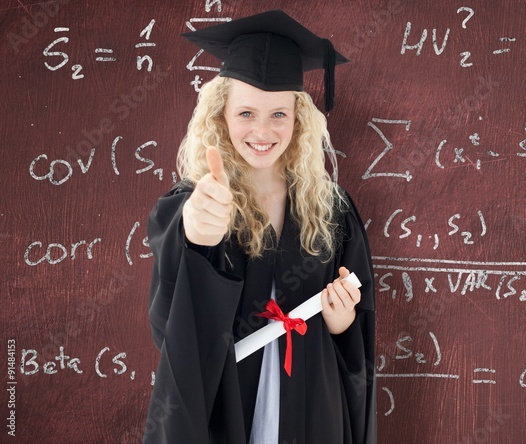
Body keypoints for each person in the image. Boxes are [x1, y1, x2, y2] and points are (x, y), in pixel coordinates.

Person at [143, 10, 375, 443]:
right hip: (227, 405)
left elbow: (355, 335)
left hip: (312, 406)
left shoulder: (332, 210)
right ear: (221, 117)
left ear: (299, 120)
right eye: (246, 112)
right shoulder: (195, 203)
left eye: (279, 115)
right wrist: (195, 239)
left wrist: (342, 320)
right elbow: (168, 327)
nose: (263, 131)